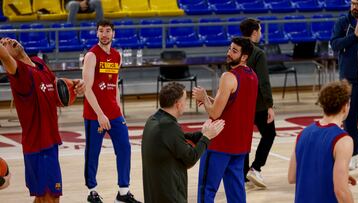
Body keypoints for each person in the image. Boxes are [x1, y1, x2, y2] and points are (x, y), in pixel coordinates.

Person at [0, 37, 85, 202]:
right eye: (3, 43)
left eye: (9, 39)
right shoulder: (19, 72)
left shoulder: (39, 63)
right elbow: (4, 56)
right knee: (49, 198)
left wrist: (75, 85)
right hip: (37, 144)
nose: (8, 41)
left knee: (48, 198)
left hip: (51, 141)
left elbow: (55, 91)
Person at [194, 37, 258, 203]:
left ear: (244, 57)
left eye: (234, 51)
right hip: (241, 145)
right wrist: (209, 99)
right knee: (236, 192)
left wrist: (204, 99)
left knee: (206, 190)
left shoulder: (228, 76)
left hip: (219, 143)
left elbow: (215, 113)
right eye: (230, 48)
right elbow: (233, 104)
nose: (229, 53)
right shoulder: (253, 76)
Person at [82, 19, 140, 203]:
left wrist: (119, 111)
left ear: (113, 34)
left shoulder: (117, 55)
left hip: (114, 113)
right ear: (97, 33)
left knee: (124, 148)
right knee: (93, 153)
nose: (105, 34)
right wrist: (100, 114)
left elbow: (114, 85)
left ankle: (123, 192)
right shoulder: (92, 55)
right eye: (101, 31)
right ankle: (92, 192)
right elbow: (87, 88)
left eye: (108, 31)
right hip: (95, 114)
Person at [141, 82, 225, 203]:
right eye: (185, 100)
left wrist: (203, 133)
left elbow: (180, 137)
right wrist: (207, 137)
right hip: (169, 195)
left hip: (156, 192)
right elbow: (191, 157)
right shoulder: (169, 126)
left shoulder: (154, 119)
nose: (186, 104)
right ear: (178, 104)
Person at [288, 80, 355, 202]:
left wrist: (332, 176)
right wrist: (340, 180)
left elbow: (292, 177)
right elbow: (341, 191)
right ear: (345, 106)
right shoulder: (343, 140)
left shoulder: (303, 133)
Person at [239, 18, 276, 188]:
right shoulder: (258, 52)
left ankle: (243, 175)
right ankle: (256, 167)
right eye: (260, 30)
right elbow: (263, 81)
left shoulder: (234, 49)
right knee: (269, 134)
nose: (261, 33)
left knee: (244, 138)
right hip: (258, 103)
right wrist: (269, 105)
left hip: (240, 103)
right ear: (254, 32)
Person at [330, 0, 358, 169]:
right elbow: (334, 44)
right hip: (349, 81)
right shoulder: (342, 23)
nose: (355, 7)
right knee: (350, 120)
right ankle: (355, 154)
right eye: (353, 3)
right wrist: (354, 36)